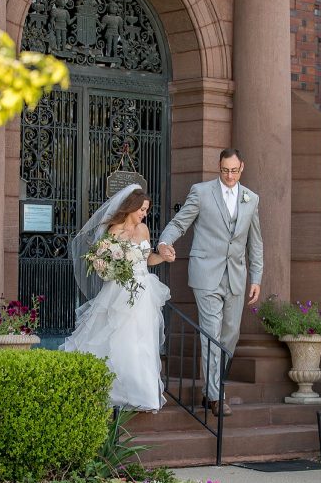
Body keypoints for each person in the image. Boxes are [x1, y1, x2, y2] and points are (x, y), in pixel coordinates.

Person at [157, 148, 263, 417]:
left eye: (234, 170)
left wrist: (257, 278)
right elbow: (180, 223)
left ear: (242, 168)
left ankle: (210, 391)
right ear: (219, 167)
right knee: (211, 332)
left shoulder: (251, 199)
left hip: (237, 276)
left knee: (230, 336)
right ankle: (217, 397)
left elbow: (256, 243)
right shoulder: (201, 192)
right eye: (225, 170)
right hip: (206, 274)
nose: (229, 175)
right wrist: (164, 242)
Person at [62, 185, 170, 412]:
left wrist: (163, 257)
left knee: (142, 341)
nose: (144, 213)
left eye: (146, 210)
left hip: (143, 290)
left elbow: (147, 259)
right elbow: (107, 261)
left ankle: (144, 395)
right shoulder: (114, 231)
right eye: (141, 209)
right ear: (130, 207)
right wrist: (107, 267)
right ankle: (115, 391)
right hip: (119, 290)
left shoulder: (144, 230)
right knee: (119, 338)